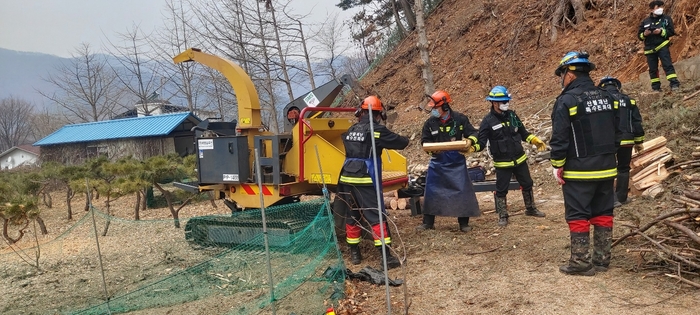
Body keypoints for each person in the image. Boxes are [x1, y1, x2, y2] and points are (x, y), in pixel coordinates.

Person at [550, 51, 621, 276]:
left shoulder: (567, 100)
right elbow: (618, 132)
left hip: (579, 170)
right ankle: (602, 260)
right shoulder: (609, 97)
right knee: (603, 211)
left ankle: (581, 263)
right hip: (607, 167)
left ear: (570, 74)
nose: (562, 79)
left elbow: (560, 137)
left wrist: (557, 164)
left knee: (578, 214)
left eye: (562, 74)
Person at [335, 95, 409, 269]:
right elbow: (401, 143)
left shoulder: (352, 129)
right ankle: (386, 257)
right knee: (376, 216)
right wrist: (406, 138)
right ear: (378, 114)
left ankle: (355, 254)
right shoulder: (376, 131)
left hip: (346, 177)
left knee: (352, 215)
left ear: (360, 112)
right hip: (364, 178)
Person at [477, 86, 547, 227]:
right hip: (503, 163)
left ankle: (530, 208)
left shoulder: (513, 116)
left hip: (519, 159)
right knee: (501, 189)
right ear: (494, 103)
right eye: (503, 101)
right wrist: (472, 147)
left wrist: (533, 139)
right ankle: (503, 215)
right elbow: (481, 142)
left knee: (527, 183)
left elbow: (523, 132)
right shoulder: (487, 121)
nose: (506, 104)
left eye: (506, 101)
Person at [416, 90, 481, 232]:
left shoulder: (460, 119)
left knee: (462, 191)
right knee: (431, 191)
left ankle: (463, 223)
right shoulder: (430, 123)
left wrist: (470, 142)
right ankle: (428, 222)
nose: (433, 111)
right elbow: (425, 141)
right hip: (438, 162)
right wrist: (431, 149)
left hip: (456, 162)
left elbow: (475, 134)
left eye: (435, 108)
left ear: (445, 107)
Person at [598, 76, 645, 207]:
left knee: (607, 169)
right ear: (618, 87)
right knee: (623, 168)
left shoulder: (602, 101)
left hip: (609, 141)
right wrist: (639, 141)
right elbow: (637, 122)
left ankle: (611, 200)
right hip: (627, 140)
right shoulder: (630, 101)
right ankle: (622, 197)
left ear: (602, 87)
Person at [638, 0, 680, 91]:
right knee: (653, 70)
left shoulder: (666, 19)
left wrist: (661, 32)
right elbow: (639, 36)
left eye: (661, 7)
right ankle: (656, 88)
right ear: (652, 9)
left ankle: (674, 84)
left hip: (662, 46)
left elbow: (671, 31)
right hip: (649, 49)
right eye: (658, 7)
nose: (660, 9)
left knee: (667, 65)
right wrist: (645, 34)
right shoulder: (645, 22)